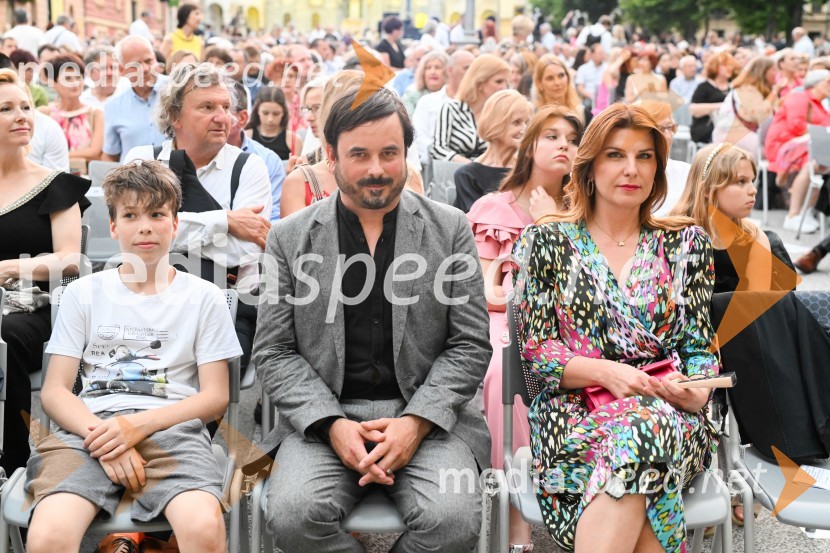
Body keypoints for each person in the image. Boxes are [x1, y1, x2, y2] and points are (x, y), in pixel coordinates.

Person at [253, 83, 491, 553]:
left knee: (453, 521)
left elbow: (470, 344)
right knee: (293, 516)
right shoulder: (289, 238)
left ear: (406, 152)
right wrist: (331, 424)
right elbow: (274, 352)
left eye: (390, 153)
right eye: (359, 155)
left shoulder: (450, 228)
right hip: (323, 419)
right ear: (331, 155)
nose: (377, 170)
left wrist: (415, 422)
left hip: (428, 416)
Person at [513, 103, 718, 553]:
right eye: (615, 155)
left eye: (645, 157)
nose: (632, 169)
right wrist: (609, 373)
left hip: (672, 414)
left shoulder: (686, 244)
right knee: (642, 456)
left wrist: (699, 390)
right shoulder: (546, 242)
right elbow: (539, 354)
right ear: (588, 167)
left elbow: (700, 347)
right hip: (575, 412)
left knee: (644, 425)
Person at [24, 160, 241, 553]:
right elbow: (55, 391)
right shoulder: (83, 294)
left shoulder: (204, 297)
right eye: (130, 215)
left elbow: (214, 398)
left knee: (203, 529)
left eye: (157, 214)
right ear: (113, 226)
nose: (145, 226)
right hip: (88, 431)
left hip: (172, 432)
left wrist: (137, 428)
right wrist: (109, 440)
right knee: (48, 536)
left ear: (175, 224)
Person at [468, 105, 582, 551]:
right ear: (531, 145)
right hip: (505, 320)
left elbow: (583, 291)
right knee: (503, 368)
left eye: (572, 139)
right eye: (551, 136)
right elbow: (489, 292)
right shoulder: (494, 208)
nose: (563, 146)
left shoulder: (586, 209)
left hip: (570, 323)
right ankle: (515, 515)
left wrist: (552, 222)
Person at [124, 62, 272, 371]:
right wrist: (226, 222)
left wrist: (164, 232)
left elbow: (244, 250)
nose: (223, 117)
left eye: (226, 107)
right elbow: (133, 239)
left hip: (226, 305)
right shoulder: (142, 160)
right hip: (147, 303)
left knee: (206, 380)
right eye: (207, 107)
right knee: (135, 375)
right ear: (175, 115)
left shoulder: (249, 167)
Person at [0, 68, 89, 476]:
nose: (22, 116)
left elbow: (70, 259)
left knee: (9, 333)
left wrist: (8, 268)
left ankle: (12, 464)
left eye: (26, 107)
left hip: (39, 308)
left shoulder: (55, 184)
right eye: (6, 109)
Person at [672, 142, 796, 293]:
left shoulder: (755, 238)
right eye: (741, 181)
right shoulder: (674, 235)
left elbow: (755, 308)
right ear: (707, 189)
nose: (753, 190)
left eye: (752, 180)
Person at [764, 69, 830, 232]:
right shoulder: (800, 97)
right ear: (815, 83)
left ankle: (806, 211)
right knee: (815, 163)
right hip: (784, 145)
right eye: (828, 82)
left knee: (820, 161)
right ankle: (793, 215)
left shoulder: (819, 104)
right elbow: (797, 126)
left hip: (806, 145)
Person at [453, 90, 531, 212]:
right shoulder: (468, 175)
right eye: (517, 122)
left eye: (527, 122)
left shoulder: (529, 168)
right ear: (496, 124)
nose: (524, 129)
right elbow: (476, 223)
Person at [431, 54, 509, 163]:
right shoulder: (451, 109)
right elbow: (438, 149)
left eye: (506, 82)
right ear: (480, 83)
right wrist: (470, 166)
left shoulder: (499, 115)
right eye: (499, 81)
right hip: (454, 176)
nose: (504, 87)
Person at [229, 81, 287, 223]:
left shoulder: (269, 160)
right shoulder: (185, 156)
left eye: (224, 109)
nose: (215, 117)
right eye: (206, 108)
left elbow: (275, 216)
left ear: (241, 118)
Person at [103, 36, 167, 162]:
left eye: (148, 61)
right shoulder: (113, 106)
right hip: (131, 180)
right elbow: (110, 155)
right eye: (136, 65)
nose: (145, 69)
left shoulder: (179, 91)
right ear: (122, 69)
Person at [412, 49, 474, 164]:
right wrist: (448, 157)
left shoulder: (477, 104)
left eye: (437, 67)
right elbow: (418, 138)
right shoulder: (427, 101)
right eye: (467, 68)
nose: (472, 73)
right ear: (450, 70)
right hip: (435, 170)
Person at [41, 55, 104, 164]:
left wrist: (54, 156)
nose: (75, 83)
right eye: (67, 78)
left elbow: (94, 152)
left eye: (78, 77)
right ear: (53, 83)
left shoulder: (96, 114)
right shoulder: (45, 114)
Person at [637, 99, 691, 216]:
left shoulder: (686, 173)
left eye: (671, 127)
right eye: (660, 129)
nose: (668, 136)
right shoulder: (629, 174)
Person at [690, 51, 736, 144]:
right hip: (707, 127)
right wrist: (722, 106)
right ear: (715, 67)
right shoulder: (704, 87)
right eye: (726, 65)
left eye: (731, 65)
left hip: (730, 127)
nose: (729, 68)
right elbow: (693, 109)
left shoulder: (734, 86)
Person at [246, 86, 303, 160]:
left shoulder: (293, 140)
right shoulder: (247, 136)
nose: (270, 119)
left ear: (283, 113)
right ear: (257, 111)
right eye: (265, 113)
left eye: (276, 114)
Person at [534, 54, 586, 123]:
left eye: (561, 75)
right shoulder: (533, 118)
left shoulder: (583, 115)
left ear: (568, 77)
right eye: (550, 78)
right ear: (539, 83)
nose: (557, 83)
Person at [401, 50, 448, 115]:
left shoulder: (454, 96)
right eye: (428, 68)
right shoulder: (410, 95)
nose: (432, 72)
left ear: (447, 72)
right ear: (422, 72)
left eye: (437, 67)